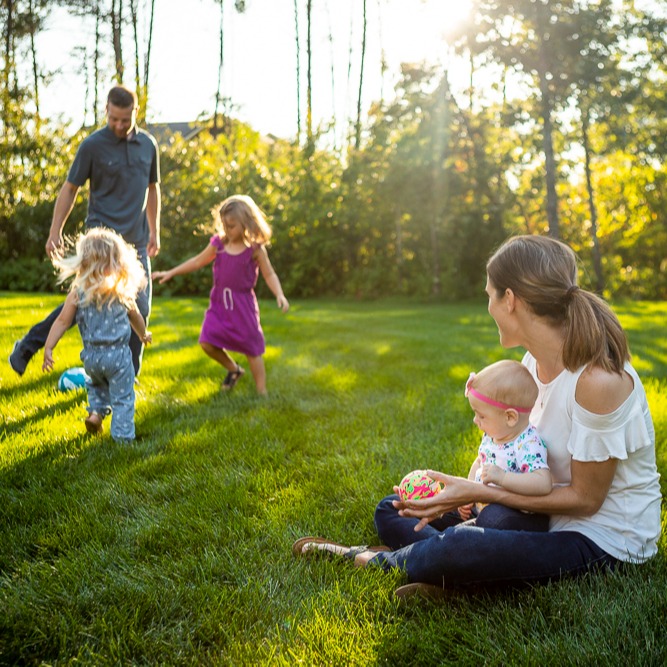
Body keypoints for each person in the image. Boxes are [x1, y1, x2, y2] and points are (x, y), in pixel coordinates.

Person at [293, 235, 662, 598]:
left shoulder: (598, 381)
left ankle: (379, 560)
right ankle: (447, 567)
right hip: (535, 519)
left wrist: (482, 492)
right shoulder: (533, 362)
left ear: (511, 300)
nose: (487, 305)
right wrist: (466, 493)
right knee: (393, 510)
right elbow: (516, 444)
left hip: (602, 541)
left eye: (489, 295)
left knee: (462, 545)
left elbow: (586, 500)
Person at [9, 85, 161, 378]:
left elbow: (153, 188)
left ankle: (127, 378)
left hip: (136, 242)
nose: (118, 125)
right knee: (83, 300)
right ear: (106, 110)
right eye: (113, 118)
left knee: (139, 307)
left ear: (135, 113)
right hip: (100, 244)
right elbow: (70, 189)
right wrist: (55, 231)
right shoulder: (92, 145)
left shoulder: (148, 145)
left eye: (125, 120)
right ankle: (28, 346)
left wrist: (155, 229)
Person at [152, 194, 289, 395]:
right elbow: (197, 261)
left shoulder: (255, 250)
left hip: (244, 306)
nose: (227, 229)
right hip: (219, 304)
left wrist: (279, 294)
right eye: (224, 225)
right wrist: (171, 272)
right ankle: (234, 369)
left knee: (253, 348)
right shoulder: (219, 244)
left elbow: (269, 273)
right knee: (207, 342)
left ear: (246, 223)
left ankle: (262, 391)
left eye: (231, 226)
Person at [42, 227, 152, 441]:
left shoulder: (78, 294)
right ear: (117, 261)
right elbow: (136, 316)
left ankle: (95, 414)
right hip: (118, 357)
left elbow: (62, 321)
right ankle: (122, 437)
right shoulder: (120, 292)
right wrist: (143, 334)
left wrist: (49, 346)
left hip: (91, 358)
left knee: (98, 386)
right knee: (123, 398)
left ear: (83, 261)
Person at [455, 359, 551, 529]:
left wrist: (503, 478)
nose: (475, 420)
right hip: (483, 506)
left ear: (510, 417)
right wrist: (468, 492)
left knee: (492, 519)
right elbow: (479, 462)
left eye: (481, 416)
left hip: (516, 517)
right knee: (393, 506)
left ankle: (457, 537)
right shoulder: (493, 435)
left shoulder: (527, 444)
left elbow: (543, 483)